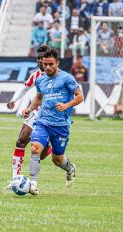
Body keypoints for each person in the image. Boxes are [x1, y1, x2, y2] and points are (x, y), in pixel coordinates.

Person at [22, 48, 84, 195]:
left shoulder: (67, 78)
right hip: (42, 122)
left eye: (50, 64)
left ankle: (70, 168)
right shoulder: (41, 79)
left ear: (57, 62)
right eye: (45, 64)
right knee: (35, 148)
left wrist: (66, 105)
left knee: (56, 159)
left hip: (60, 126)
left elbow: (80, 96)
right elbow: (39, 97)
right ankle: (33, 184)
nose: (47, 67)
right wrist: (29, 108)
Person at [5, 45, 52, 180]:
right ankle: (15, 178)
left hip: (51, 116)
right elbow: (24, 88)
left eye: (41, 58)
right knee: (20, 141)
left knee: (40, 154)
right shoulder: (36, 75)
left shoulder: (58, 76)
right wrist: (13, 100)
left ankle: (48, 149)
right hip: (36, 112)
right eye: (37, 58)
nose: (39, 61)